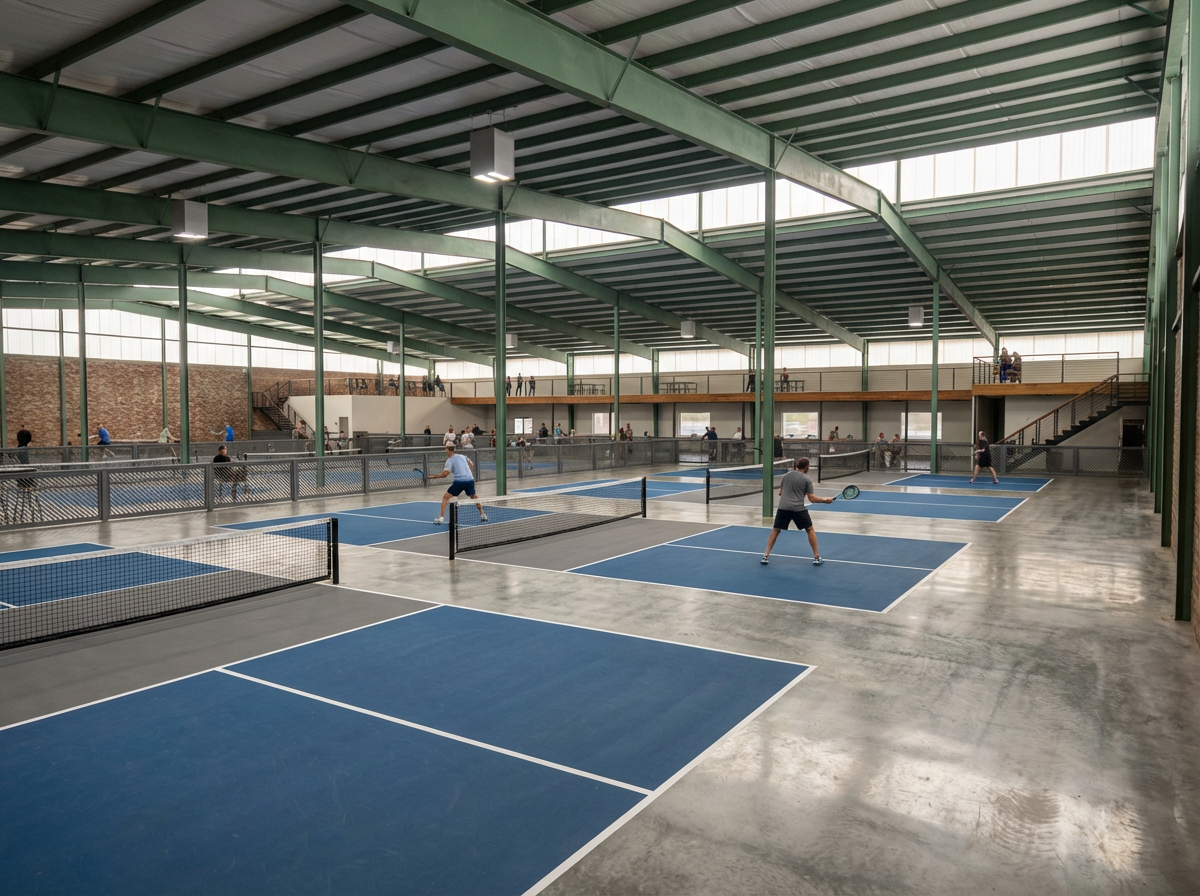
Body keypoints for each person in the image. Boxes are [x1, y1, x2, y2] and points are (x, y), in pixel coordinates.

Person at [761, 457, 831, 566]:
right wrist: (824, 500)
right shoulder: (807, 479)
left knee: (776, 530)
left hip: (783, 507)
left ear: (797, 465)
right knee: (809, 529)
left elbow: (780, 493)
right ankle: (817, 557)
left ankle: (765, 556)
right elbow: (811, 499)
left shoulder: (786, 476)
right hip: (798, 508)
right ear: (807, 467)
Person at [431, 445, 487, 525]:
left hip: (459, 482)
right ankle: (483, 515)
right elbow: (471, 464)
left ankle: (441, 518)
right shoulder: (463, 456)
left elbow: (445, 474)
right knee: (474, 497)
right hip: (469, 480)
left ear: (447, 450)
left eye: (446, 449)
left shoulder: (449, 460)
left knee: (445, 497)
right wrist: (467, 472)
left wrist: (433, 477)